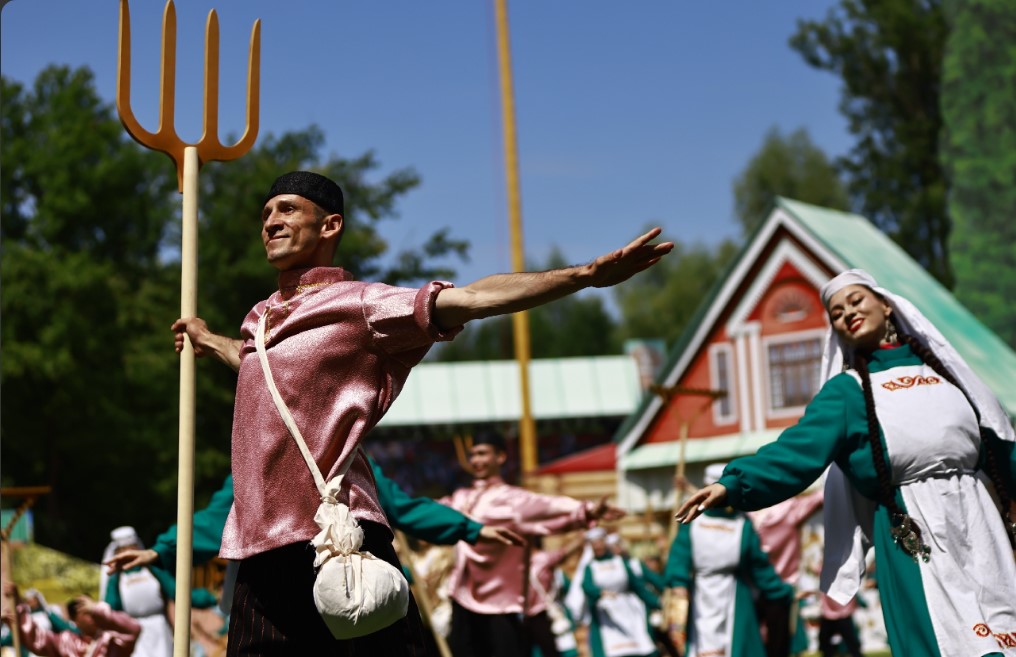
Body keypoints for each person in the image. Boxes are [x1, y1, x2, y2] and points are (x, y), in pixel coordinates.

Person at [170, 170, 672, 655]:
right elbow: (253, 362)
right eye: (266, 214)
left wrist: (582, 276)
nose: (270, 222)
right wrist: (207, 338)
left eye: (287, 210)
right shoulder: (259, 320)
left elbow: (472, 299)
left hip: (336, 538)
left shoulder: (361, 304)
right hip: (258, 547)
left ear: (330, 226)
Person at [676, 269, 1016, 657]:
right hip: (915, 533)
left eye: (855, 301)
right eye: (836, 313)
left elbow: (1001, 445)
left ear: (886, 305)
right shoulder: (847, 392)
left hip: (980, 525)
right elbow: (795, 452)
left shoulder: (948, 376)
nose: (847, 314)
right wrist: (733, 484)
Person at [438, 433, 626, 657]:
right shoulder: (460, 497)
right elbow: (431, 512)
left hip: (500, 605)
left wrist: (587, 510)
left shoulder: (512, 500)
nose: (476, 460)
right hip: (462, 599)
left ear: (500, 457)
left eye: (482, 453)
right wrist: (393, 508)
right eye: (472, 455)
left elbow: (550, 506)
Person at [664, 463, 794, 657]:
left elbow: (759, 565)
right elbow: (679, 554)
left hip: (736, 594)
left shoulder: (743, 524)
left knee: (739, 646)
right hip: (701, 593)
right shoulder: (693, 519)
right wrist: (678, 581)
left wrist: (781, 591)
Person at [100, 526, 216, 657]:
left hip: (160, 630)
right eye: (123, 549)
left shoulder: (153, 570)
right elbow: (112, 607)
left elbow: (177, 592)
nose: (128, 551)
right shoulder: (116, 578)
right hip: (133, 631)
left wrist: (211, 598)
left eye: (132, 547)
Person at [747, 489, 824, 657]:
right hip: (775, 587)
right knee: (775, 643)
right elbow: (823, 495)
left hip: (766, 588)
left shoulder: (745, 511)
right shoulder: (788, 508)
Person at [566, 527, 660, 657]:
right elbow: (586, 586)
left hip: (628, 611)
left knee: (640, 647)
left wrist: (657, 602)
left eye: (600, 542)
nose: (597, 546)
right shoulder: (590, 567)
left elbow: (638, 587)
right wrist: (600, 593)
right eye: (594, 544)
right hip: (605, 615)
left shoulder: (621, 562)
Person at [1, 582, 141, 657]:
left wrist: (98, 610)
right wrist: (18, 607)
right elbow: (38, 639)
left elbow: (133, 629)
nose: (91, 614)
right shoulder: (67, 642)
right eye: (85, 611)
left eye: (91, 608)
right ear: (76, 620)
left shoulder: (113, 640)